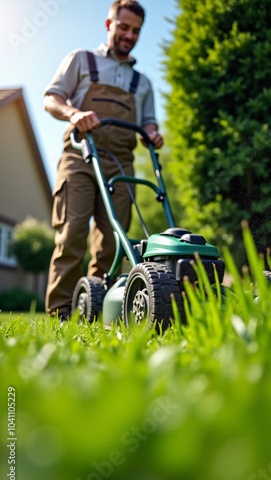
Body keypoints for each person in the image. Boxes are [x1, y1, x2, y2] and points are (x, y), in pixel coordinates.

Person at [44, 0, 163, 319]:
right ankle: (59, 314)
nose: (129, 35)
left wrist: (152, 133)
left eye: (136, 31)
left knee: (112, 242)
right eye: (123, 27)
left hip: (121, 163)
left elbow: (148, 121)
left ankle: (93, 312)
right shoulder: (81, 60)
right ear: (109, 24)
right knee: (72, 232)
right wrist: (74, 112)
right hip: (80, 155)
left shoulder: (143, 83)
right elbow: (51, 98)